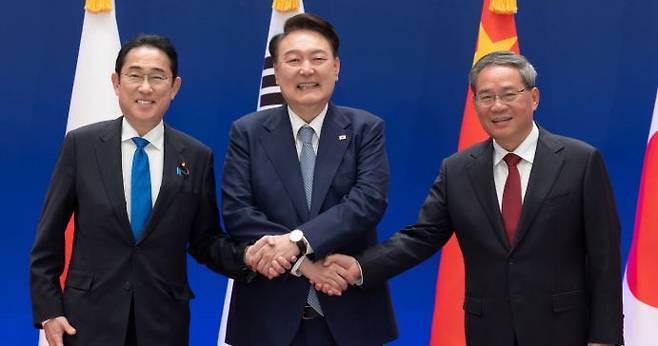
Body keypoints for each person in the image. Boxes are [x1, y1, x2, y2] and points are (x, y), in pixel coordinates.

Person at [321, 51, 624, 346]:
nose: (497, 106)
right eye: (486, 97)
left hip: (565, 329)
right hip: (489, 330)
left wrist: (605, 337)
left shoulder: (579, 161)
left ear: (533, 98)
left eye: (508, 94)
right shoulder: (457, 170)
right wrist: (360, 267)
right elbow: (422, 236)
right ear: (475, 103)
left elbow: (604, 257)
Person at [29, 34, 257, 346]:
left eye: (157, 77)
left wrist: (248, 257)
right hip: (88, 320)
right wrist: (49, 310)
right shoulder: (81, 146)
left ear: (174, 87)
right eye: (134, 75)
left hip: (163, 322)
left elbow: (204, 240)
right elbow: (48, 238)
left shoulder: (195, 156)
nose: (145, 87)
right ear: (116, 82)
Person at [222, 13, 398, 346]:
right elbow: (238, 213)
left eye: (318, 59)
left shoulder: (365, 129)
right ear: (276, 70)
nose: (306, 70)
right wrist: (305, 265)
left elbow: (367, 202)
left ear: (336, 67)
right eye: (293, 60)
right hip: (267, 316)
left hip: (349, 311)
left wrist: (299, 241)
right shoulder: (247, 132)